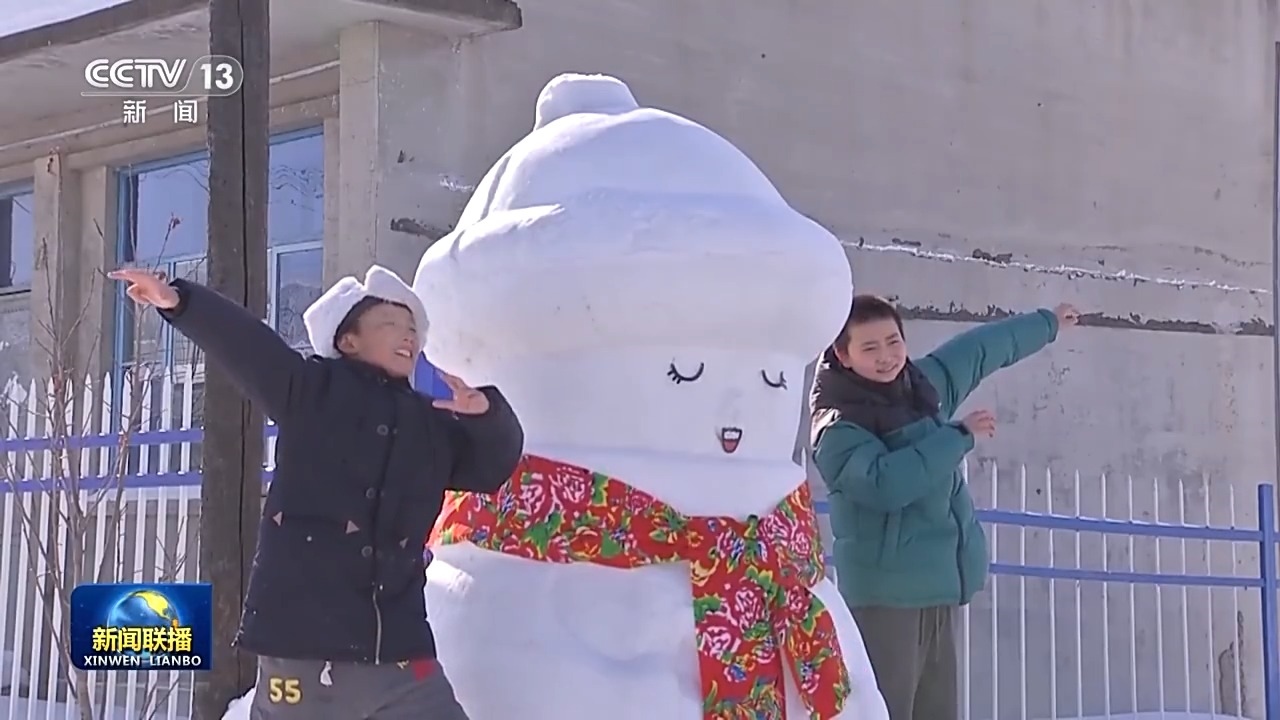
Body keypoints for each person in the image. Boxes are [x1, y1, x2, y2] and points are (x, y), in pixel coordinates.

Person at [109, 265, 524, 720]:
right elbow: (249, 345)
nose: (407, 335)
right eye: (390, 323)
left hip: (404, 660)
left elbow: (489, 469)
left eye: (412, 328)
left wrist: (487, 415)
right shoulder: (312, 392)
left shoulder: (430, 426)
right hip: (304, 655)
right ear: (348, 340)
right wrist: (180, 301)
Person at [809, 294, 1078, 720]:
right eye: (870, 347)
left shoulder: (922, 387)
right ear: (843, 355)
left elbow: (979, 350)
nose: (886, 356)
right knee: (884, 710)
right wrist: (957, 437)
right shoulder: (837, 426)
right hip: (886, 597)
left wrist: (1048, 323)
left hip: (938, 586)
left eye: (893, 341)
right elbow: (885, 485)